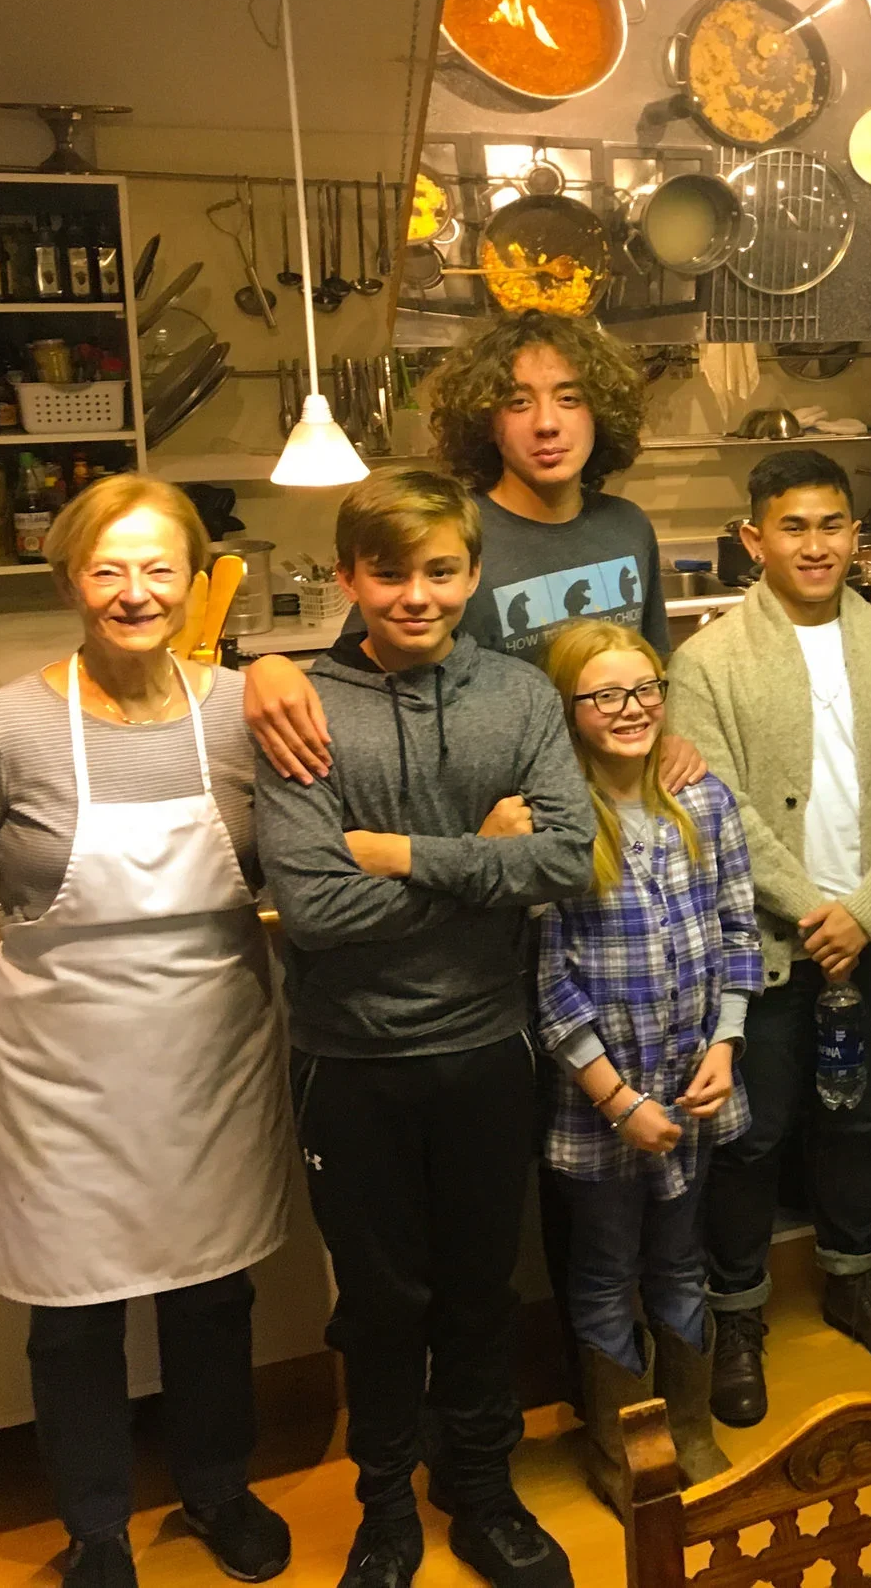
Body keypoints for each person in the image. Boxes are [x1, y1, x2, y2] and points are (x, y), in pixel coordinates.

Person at [0, 476, 293, 1588]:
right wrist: (22, 986)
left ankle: (217, 1489)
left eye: (159, 567)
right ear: (72, 579)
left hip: (211, 1057)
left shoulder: (238, 713)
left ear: (195, 578)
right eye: (109, 569)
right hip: (59, 1074)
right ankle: (97, 1527)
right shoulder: (4, 729)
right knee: (74, 1310)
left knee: (213, 1288)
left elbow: (290, 865)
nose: (136, 593)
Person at [257, 467, 596, 1588]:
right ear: (349, 578)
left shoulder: (520, 696)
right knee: (383, 1300)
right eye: (389, 573)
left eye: (439, 571)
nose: (415, 596)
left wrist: (395, 850)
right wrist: (480, 858)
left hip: (487, 1047)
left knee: (481, 1286)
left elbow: (559, 856)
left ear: (472, 573)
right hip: (350, 1061)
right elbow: (312, 906)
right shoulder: (304, 708)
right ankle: (383, 1504)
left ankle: (482, 1487)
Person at [666, 451, 871, 1426]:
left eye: (833, 524)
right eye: (794, 526)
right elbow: (720, 809)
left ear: (856, 536)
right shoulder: (706, 663)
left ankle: (850, 1278)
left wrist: (863, 910)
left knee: (857, 1119)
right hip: (764, 947)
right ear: (755, 538)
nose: (817, 544)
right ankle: (738, 1315)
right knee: (753, 1137)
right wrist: (809, 909)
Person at [244, 310, 700, 781]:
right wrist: (270, 668)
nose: (547, 423)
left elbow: (653, 667)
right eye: (518, 403)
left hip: (619, 792)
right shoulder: (450, 538)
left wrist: (674, 737)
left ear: (600, 412)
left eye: (569, 398)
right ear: (487, 422)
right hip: (502, 805)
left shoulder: (626, 528)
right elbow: (356, 674)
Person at [534, 621, 758, 1502]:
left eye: (645, 690)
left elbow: (740, 935)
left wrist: (727, 1043)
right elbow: (547, 984)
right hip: (602, 1101)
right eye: (604, 695)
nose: (630, 709)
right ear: (568, 710)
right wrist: (617, 1097)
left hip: (695, 1084)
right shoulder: (557, 823)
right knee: (603, 1267)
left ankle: (689, 1429)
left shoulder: (705, 806)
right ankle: (620, 1441)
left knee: (678, 1259)